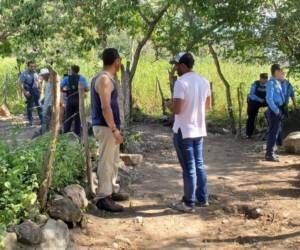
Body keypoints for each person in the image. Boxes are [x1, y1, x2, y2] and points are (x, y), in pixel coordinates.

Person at [166, 52, 211, 213]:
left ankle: (188, 202)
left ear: (183, 65)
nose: (175, 68)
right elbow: (207, 106)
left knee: (188, 167)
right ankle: (202, 197)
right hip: (198, 129)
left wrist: (169, 105)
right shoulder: (204, 81)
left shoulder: (181, 82)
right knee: (198, 164)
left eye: (177, 65)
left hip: (183, 129)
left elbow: (177, 109)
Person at [91, 48, 129, 212]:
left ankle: (111, 191)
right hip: (106, 127)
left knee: (113, 160)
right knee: (106, 162)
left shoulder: (106, 78)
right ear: (117, 61)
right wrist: (114, 129)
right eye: (120, 61)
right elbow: (105, 107)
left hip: (109, 127)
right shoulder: (104, 80)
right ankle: (103, 198)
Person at [265, 64, 286, 162]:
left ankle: (272, 152)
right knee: (273, 132)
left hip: (279, 109)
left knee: (276, 131)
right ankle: (269, 154)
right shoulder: (271, 83)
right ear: (276, 72)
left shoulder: (277, 82)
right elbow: (269, 99)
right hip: (274, 110)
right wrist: (277, 111)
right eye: (281, 71)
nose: (282, 73)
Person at [61, 65, 88, 136]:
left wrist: (65, 91)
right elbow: (87, 88)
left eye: (70, 70)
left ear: (72, 70)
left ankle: (66, 132)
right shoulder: (82, 78)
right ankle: (77, 134)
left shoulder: (66, 78)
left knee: (68, 116)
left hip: (70, 100)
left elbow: (60, 86)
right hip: (78, 100)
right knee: (78, 118)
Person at [19, 61, 43, 126]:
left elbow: (38, 82)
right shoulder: (24, 74)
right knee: (30, 106)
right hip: (28, 91)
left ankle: (42, 120)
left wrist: (40, 90)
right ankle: (30, 121)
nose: (33, 68)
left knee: (39, 105)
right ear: (28, 66)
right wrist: (25, 92)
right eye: (31, 66)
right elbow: (20, 83)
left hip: (36, 91)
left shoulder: (36, 73)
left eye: (34, 66)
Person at [245, 73, 268, 138]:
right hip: (254, 101)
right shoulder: (255, 84)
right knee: (251, 116)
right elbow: (251, 95)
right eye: (263, 79)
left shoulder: (269, 84)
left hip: (265, 100)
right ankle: (249, 134)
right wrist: (259, 99)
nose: (264, 80)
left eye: (266, 79)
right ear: (260, 78)